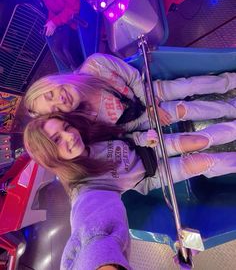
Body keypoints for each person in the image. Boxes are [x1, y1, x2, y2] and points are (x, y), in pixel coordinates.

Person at [23, 112, 236, 269]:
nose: (70, 136)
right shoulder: (84, 186)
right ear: (49, 156)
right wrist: (101, 261)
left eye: (66, 127)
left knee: (198, 140)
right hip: (152, 175)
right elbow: (91, 226)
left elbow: (127, 131)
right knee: (204, 161)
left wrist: (147, 126)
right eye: (57, 140)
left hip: (148, 146)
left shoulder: (91, 135)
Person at [24, 52, 236, 154]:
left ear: (52, 81)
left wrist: (151, 104)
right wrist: (148, 129)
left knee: (190, 86)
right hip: (145, 120)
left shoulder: (95, 64)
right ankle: (230, 108)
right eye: (55, 110)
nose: (60, 100)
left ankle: (229, 81)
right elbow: (123, 134)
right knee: (184, 110)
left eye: (50, 94)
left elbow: (134, 78)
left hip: (147, 91)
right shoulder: (85, 122)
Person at [16, 0, 84, 70]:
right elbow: (53, 11)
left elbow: (75, 7)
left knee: (67, 48)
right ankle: (76, 74)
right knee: (57, 47)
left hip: (82, 24)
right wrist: (48, 23)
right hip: (70, 25)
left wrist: (54, 22)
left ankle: (83, 73)